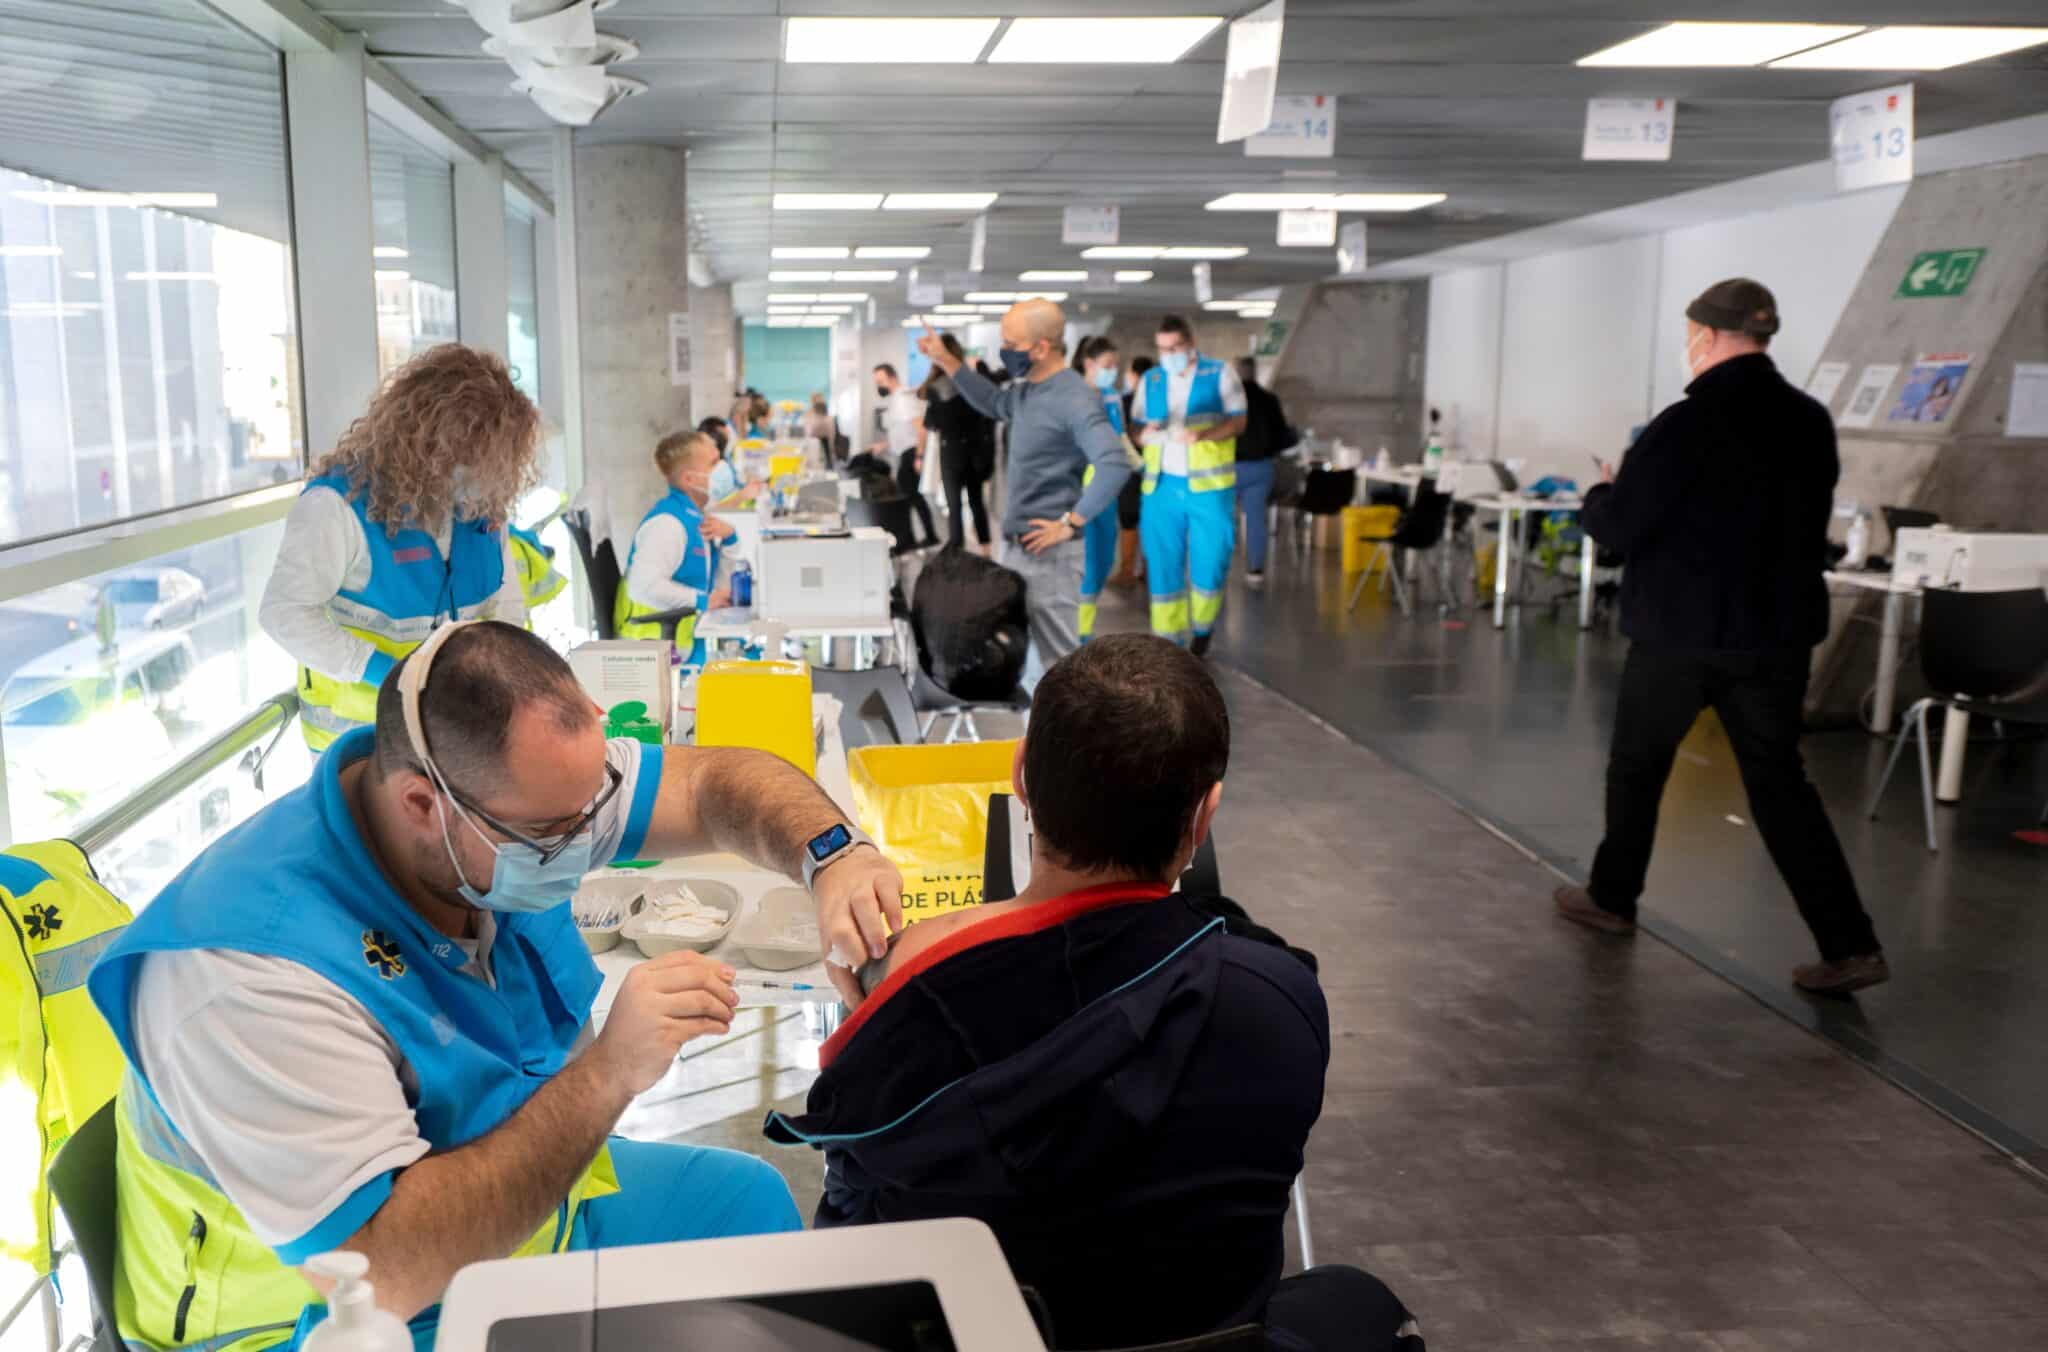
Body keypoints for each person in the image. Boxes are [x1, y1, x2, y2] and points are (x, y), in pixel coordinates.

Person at [88, 620, 906, 1352]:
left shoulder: (510, 802)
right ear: (421, 805)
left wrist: (834, 853)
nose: (588, 846)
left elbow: (710, 783)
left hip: (512, 1218)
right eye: (555, 836)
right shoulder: (245, 979)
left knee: (748, 1207)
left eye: (597, 810)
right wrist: (610, 1073)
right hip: (328, 1314)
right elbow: (382, 1271)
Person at [768, 636, 1423, 1352]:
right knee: (1357, 1301)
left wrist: (877, 993)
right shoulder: (1279, 998)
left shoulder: (909, 997)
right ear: (1205, 815)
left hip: (972, 1336)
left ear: (1020, 776)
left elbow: (856, 1212)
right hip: (1206, 1339)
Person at [1555, 278, 1887, 997]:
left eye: (1690, 335)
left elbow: (1618, 533)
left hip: (1682, 635)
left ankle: (1612, 900)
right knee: (1780, 787)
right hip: (1776, 639)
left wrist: (1601, 492)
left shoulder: (1682, 424)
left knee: (1639, 768)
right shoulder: (1809, 421)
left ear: (1705, 336)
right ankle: (1849, 943)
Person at [260, 344, 535, 752]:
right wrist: (390, 674)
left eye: (488, 462)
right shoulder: (335, 507)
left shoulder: (478, 505)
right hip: (359, 744)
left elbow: (505, 604)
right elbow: (283, 614)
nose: (476, 475)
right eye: (464, 458)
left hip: (454, 736)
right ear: (420, 442)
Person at [917, 303, 1132, 684]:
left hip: (1049, 553)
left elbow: (1114, 463)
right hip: (1016, 547)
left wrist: (1070, 522)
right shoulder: (1028, 391)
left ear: (1041, 348)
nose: (1005, 350)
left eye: (1011, 343)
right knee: (1026, 665)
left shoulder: (1074, 398)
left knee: (1058, 668)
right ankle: (1036, 739)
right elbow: (992, 402)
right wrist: (949, 361)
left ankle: (1063, 741)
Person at [1134, 316, 1247, 655]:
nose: (1168, 354)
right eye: (1162, 348)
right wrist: (1143, 435)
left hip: (1209, 486)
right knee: (1162, 562)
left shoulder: (1219, 374)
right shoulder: (1151, 380)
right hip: (1161, 486)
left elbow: (1239, 421)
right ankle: (1168, 639)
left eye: (1175, 347)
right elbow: (1136, 427)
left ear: (1190, 343)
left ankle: (1202, 628)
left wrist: (1203, 435)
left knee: (1210, 561)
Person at [616, 430, 734, 666]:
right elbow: (642, 587)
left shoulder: (693, 515)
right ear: (690, 479)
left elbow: (714, 579)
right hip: (656, 645)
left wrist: (730, 538)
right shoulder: (668, 525)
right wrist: (701, 600)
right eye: (713, 463)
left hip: (687, 634)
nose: (723, 468)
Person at [1072, 335, 1136, 640]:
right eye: (1108, 365)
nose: (1113, 371)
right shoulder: (1072, 395)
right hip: (1077, 492)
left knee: (1103, 560)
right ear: (1089, 364)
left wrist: (1138, 464)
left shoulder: (1112, 397)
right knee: (1085, 560)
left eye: (1116, 365)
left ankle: (1083, 625)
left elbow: (1120, 438)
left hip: (1106, 489)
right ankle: (1080, 632)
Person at [919, 334, 996, 554]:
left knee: (954, 505)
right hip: (976, 451)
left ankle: (957, 552)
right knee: (976, 502)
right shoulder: (972, 382)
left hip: (951, 450)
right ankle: (986, 551)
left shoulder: (937, 387)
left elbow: (932, 422)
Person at [1235, 356, 1295, 589]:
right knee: (1256, 520)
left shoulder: (1228, 400)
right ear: (1254, 372)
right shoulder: (1270, 400)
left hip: (1229, 468)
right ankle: (1255, 570)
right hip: (1261, 468)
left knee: (1221, 519)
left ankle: (1218, 568)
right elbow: (1282, 436)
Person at [869, 363, 937, 544]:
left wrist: (919, 456)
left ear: (892, 378)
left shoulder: (905, 399)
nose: (879, 386)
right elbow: (900, 431)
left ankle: (920, 538)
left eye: (881, 381)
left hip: (912, 452)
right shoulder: (895, 400)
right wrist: (882, 445)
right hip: (905, 452)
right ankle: (917, 537)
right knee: (911, 497)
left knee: (910, 497)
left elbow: (921, 428)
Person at [1111, 355, 1154, 587]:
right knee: (1149, 519)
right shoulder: (1160, 401)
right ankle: (1147, 571)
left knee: (1128, 520)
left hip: (1129, 469)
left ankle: (1127, 571)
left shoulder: (1124, 401)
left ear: (1136, 376)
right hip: (1156, 468)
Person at [802, 392, 838, 463]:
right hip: (815, 438)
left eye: (821, 398)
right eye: (819, 398)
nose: (822, 400)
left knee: (827, 458)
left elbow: (829, 425)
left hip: (825, 438)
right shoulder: (810, 412)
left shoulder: (823, 409)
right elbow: (809, 428)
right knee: (817, 459)